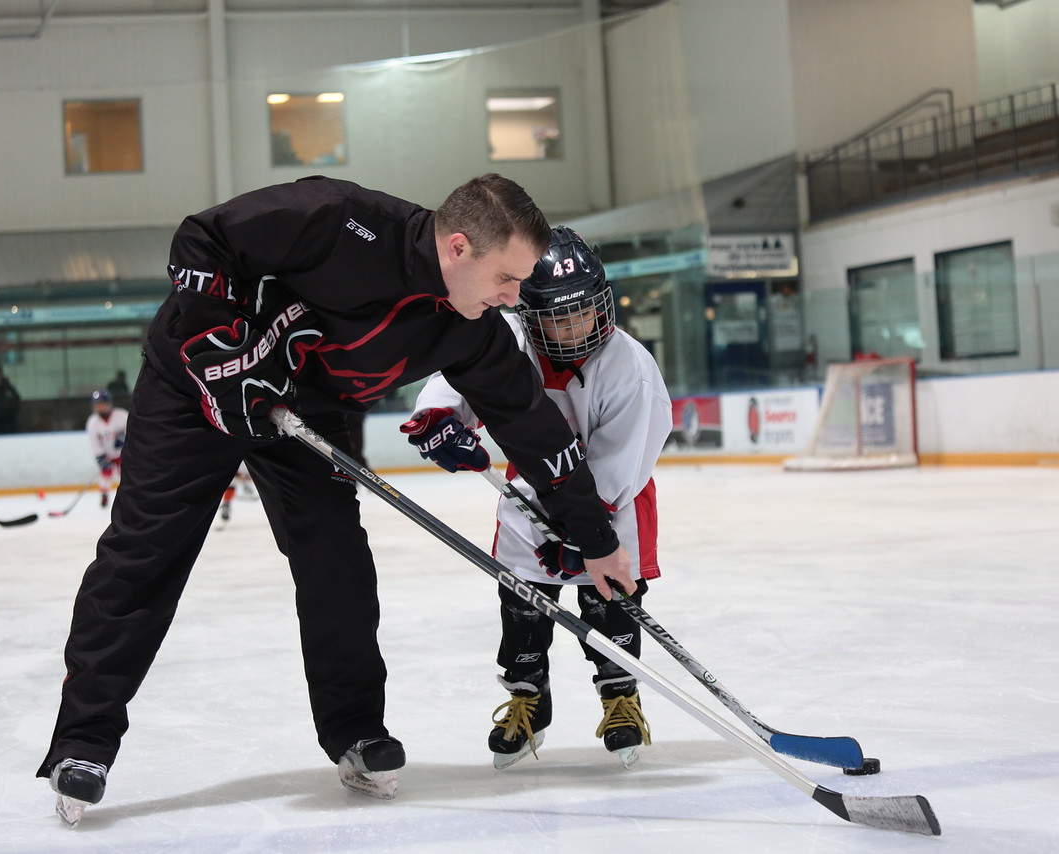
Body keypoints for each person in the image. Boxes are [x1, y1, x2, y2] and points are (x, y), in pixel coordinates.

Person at [36, 173, 633, 826]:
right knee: (146, 552)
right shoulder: (341, 219)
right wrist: (219, 346)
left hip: (305, 415)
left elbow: (535, 429)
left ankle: (354, 730)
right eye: (506, 280)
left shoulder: (473, 328)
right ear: (459, 248)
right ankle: (83, 741)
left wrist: (597, 542)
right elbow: (201, 238)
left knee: (338, 562)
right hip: (198, 390)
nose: (514, 299)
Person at [405, 227, 671, 770]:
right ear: (528, 313)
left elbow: (621, 463)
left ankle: (621, 697)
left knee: (609, 602)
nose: (574, 326)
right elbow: (456, 380)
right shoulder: (508, 340)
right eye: (557, 315)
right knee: (522, 606)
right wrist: (440, 420)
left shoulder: (630, 367)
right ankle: (529, 699)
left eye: (582, 312)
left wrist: (586, 534)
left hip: (612, 507)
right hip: (526, 499)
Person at [84, 389, 128, 508]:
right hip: (106, 455)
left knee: (125, 476)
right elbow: (94, 442)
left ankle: (127, 496)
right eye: (97, 405)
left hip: (122, 454)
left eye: (102, 404)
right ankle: (104, 495)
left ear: (109, 403)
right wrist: (101, 458)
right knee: (105, 474)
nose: (100, 407)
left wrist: (125, 439)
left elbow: (133, 431)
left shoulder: (122, 415)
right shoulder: (92, 422)